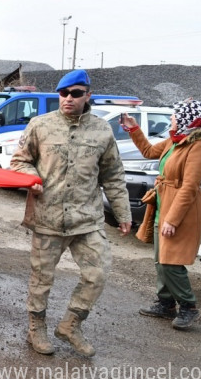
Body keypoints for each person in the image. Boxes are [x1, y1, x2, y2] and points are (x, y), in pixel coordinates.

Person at [10, 69, 131, 357]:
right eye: (63, 93)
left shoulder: (102, 130)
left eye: (75, 93)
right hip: (48, 218)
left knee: (98, 274)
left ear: (88, 95)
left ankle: (71, 324)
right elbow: (19, 161)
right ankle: (35, 328)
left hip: (86, 220)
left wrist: (123, 212)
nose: (68, 98)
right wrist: (33, 178)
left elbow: (113, 175)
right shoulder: (40, 125)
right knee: (42, 279)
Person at [125, 100, 201, 330]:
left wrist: (173, 220)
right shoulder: (176, 140)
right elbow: (148, 151)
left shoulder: (199, 146)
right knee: (161, 259)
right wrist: (133, 128)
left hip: (181, 210)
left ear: (190, 120)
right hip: (163, 203)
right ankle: (165, 304)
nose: (172, 119)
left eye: (176, 116)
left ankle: (189, 306)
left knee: (171, 262)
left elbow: (189, 187)